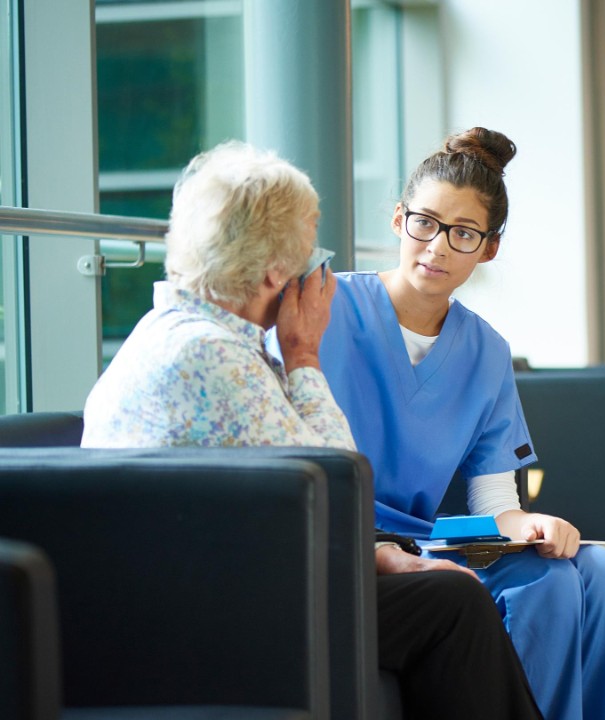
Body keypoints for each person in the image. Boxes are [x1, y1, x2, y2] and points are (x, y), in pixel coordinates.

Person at [81, 141, 543, 719]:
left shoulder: (176, 332)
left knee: (446, 597)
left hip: (200, 580)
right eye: (310, 256)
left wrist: (382, 555)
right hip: (208, 605)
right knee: (452, 602)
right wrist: (302, 354)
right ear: (277, 271)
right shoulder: (215, 358)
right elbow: (335, 485)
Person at [297, 127, 605, 720]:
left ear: (488, 248)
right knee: (553, 584)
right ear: (399, 219)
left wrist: (531, 523)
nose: (437, 247)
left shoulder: (486, 351)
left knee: (604, 574)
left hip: (432, 542)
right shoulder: (327, 306)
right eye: (425, 224)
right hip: (354, 541)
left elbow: (494, 501)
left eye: (463, 233)